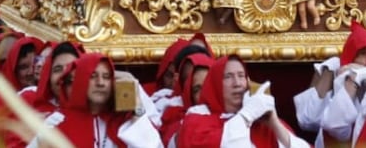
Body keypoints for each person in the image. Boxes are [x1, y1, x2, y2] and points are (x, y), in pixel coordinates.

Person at [30, 52, 161, 147]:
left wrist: (136, 108)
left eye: (106, 77)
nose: (101, 83)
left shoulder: (125, 121)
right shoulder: (57, 121)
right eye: (93, 76)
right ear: (81, 80)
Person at [177, 56, 308, 148]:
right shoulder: (197, 119)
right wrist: (246, 116)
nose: (237, 83)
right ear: (215, 84)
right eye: (228, 76)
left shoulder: (262, 122)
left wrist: (275, 123)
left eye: (241, 76)